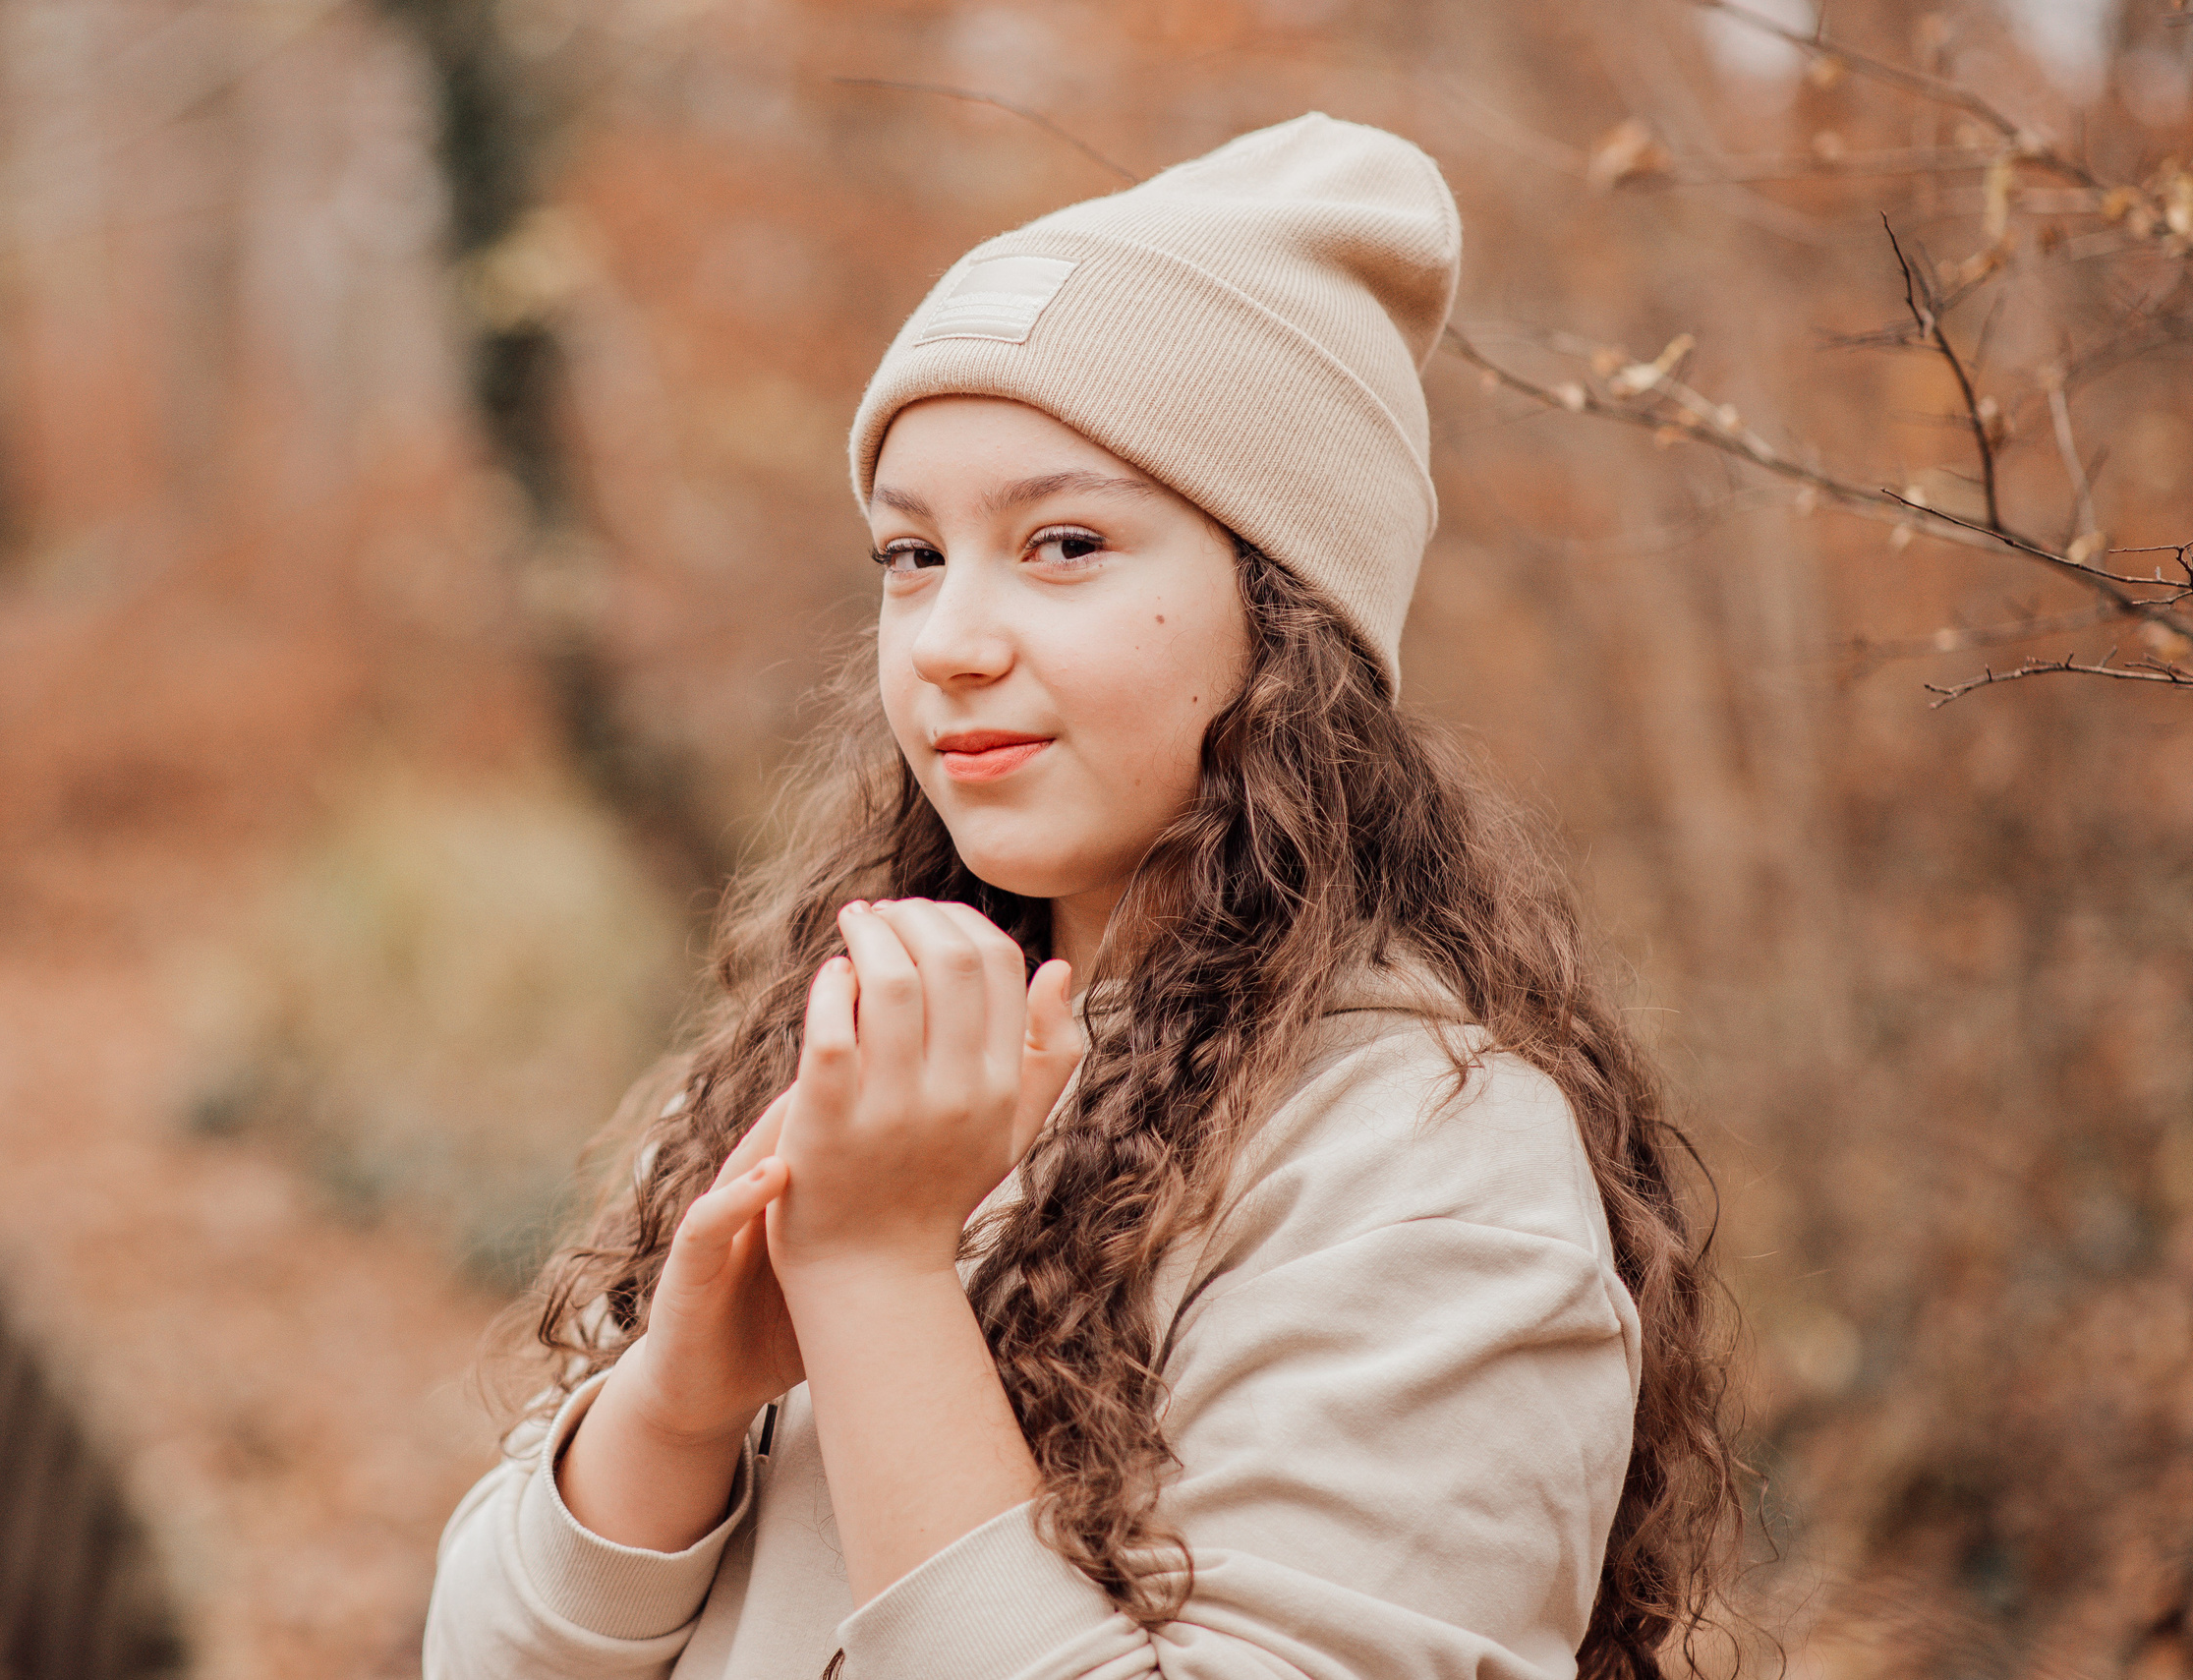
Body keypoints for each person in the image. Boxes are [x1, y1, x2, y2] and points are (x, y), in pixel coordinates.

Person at [425, 112, 1738, 1680]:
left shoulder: (1424, 1164)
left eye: (1063, 542)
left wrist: (876, 1278)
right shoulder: (860, 1036)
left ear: (1286, 612)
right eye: (910, 554)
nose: (948, 639)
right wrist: (679, 1403)